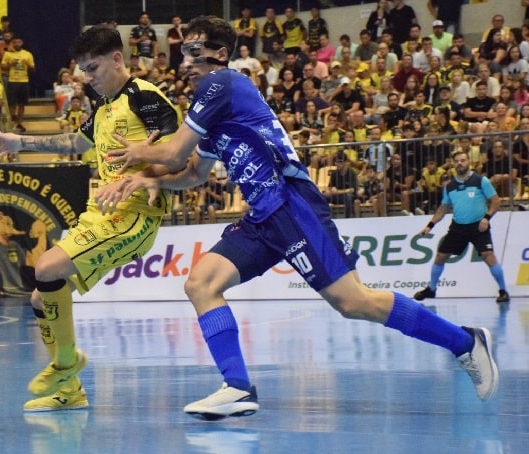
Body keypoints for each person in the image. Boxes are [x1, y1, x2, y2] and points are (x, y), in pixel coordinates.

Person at [97, 15, 498, 420]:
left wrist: (139, 157)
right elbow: (193, 173)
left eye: (194, 50)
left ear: (220, 54)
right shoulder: (212, 113)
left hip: (290, 203)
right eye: (182, 51)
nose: (185, 59)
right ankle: (237, 387)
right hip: (261, 216)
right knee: (201, 283)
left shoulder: (222, 83)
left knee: (354, 302)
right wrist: (156, 183)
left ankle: (465, 343)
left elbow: (172, 155)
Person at [0, 25, 182, 412]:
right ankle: (70, 391)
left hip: (135, 217)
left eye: (93, 68)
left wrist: (145, 169)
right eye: (83, 70)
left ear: (117, 59)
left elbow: (180, 150)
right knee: (41, 297)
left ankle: (66, 361)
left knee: (46, 267)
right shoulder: (103, 108)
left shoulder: (144, 97)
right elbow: (75, 144)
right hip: (101, 213)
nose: (87, 77)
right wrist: (20, 142)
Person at [414, 150, 510, 304]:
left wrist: (487, 218)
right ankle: (431, 289)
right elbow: (443, 208)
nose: (460, 163)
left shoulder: (481, 180)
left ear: (469, 162)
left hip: (479, 227)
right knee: (440, 257)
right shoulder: (450, 186)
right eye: (457, 161)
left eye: (463, 160)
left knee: (488, 256)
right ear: (453, 164)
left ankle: (503, 290)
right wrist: (430, 225)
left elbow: (496, 201)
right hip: (458, 228)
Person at [0, 36, 35, 133]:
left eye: (19, 42)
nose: (17, 44)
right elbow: (2, 66)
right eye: (15, 42)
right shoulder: (8, 54)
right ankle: (12, 122)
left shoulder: (27, 54)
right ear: (12, 43)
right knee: (12, 104)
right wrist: (11, 64)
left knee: (21, 104)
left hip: (24, 81)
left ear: (22, 42)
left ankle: (19, 123)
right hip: (12, 81)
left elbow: (33, 69)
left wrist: (27, 63)